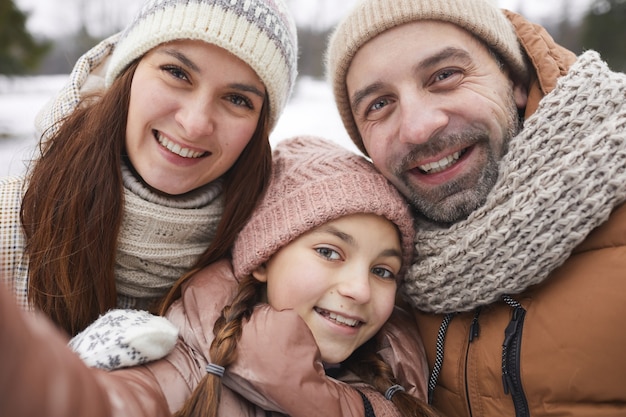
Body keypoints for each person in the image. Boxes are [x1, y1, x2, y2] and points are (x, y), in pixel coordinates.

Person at [326, 0, 626, 415]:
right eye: (379, 104)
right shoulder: (377, 277)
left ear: (516, 79)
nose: (417, 127)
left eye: (445, 75)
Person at [0, 136, 438, 417]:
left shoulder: (403, 375)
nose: (359, 289)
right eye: (329, 252)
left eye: (384, 270)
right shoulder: (189, 359)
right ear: (264, 258)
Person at [0, 0, 298, 336]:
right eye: (176, 73)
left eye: (237, 99)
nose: (195, 124)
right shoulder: (8, 222)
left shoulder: (265, 274)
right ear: (128, 74)